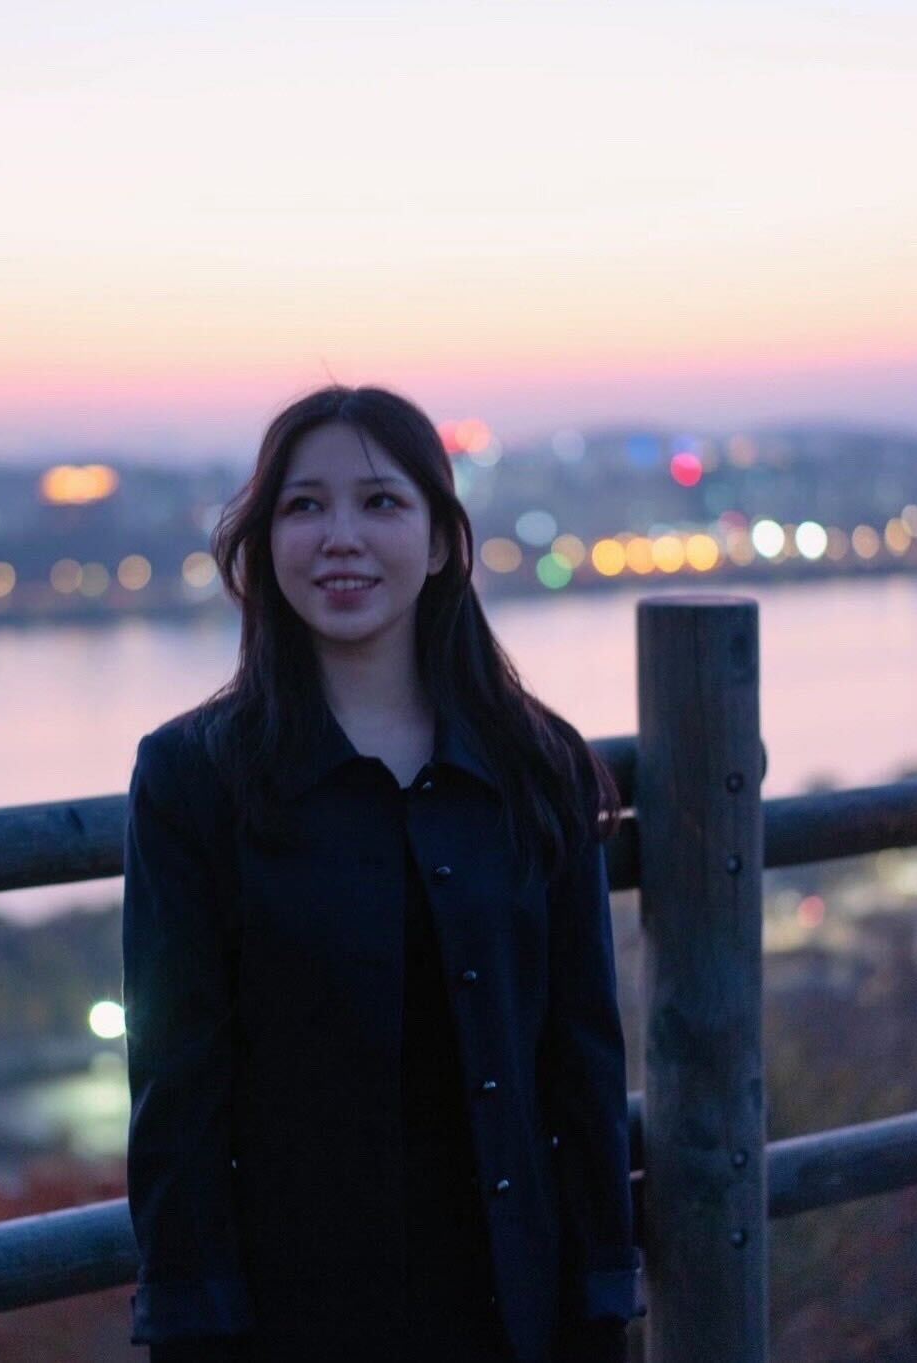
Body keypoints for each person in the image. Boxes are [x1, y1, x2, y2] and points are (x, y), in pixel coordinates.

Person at [122, 385, 645, 1363]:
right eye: (304, 506)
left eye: (380, 502)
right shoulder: (194, 776)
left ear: (441, 541)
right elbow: (176, 1085)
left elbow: (582, 1060)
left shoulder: (537, 765)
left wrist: (601, 1296)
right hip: (295, 1314)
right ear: (264, 543)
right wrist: (192, 1322)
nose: (340, 537)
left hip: (517, 1310)